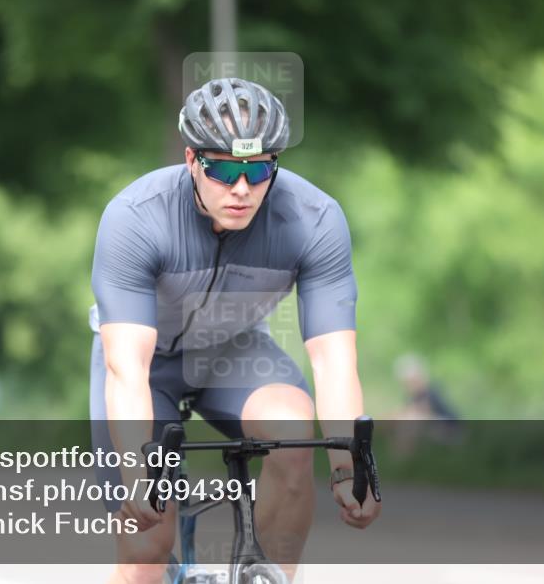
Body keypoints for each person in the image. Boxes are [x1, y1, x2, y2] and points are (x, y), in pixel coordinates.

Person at [88, 77, 380, 584]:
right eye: (223, 169)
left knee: (293, 428)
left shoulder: (314, 221)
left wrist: (348, 466)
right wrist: (139, 474)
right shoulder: (135, 218)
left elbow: (334, 360)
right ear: (191, 160)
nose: (242, 189)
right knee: (148, 542)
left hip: (231, 351)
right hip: (146, 366)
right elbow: (126, 366)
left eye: (258, 169)